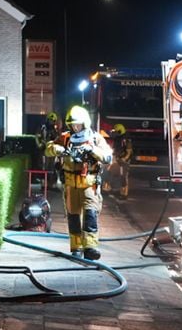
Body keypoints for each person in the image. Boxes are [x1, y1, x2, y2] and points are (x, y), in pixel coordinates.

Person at [46, 105, 113, 259]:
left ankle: (90, 248)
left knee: (90, 216)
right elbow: (48, 149)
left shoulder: (95, 138)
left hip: (89, 184)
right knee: (73, 217)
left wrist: (92, 150)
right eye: (72, 125)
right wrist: (57, 149)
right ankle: (76, 247)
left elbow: (108, 157)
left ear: (85, 123)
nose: (75, 128)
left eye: (78, 124)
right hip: (71, 185)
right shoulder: (65, 138)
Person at [105, 123, 133, 199]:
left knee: (123, 176)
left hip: (124, 161)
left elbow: (129, 151)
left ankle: (124, 194)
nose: (114, 133)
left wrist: (124, 159)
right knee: (109, 172)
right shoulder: (117, 139)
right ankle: (107, 189)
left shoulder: (126, 140)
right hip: (116, 158)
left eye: (116, 132)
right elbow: (114, 148)